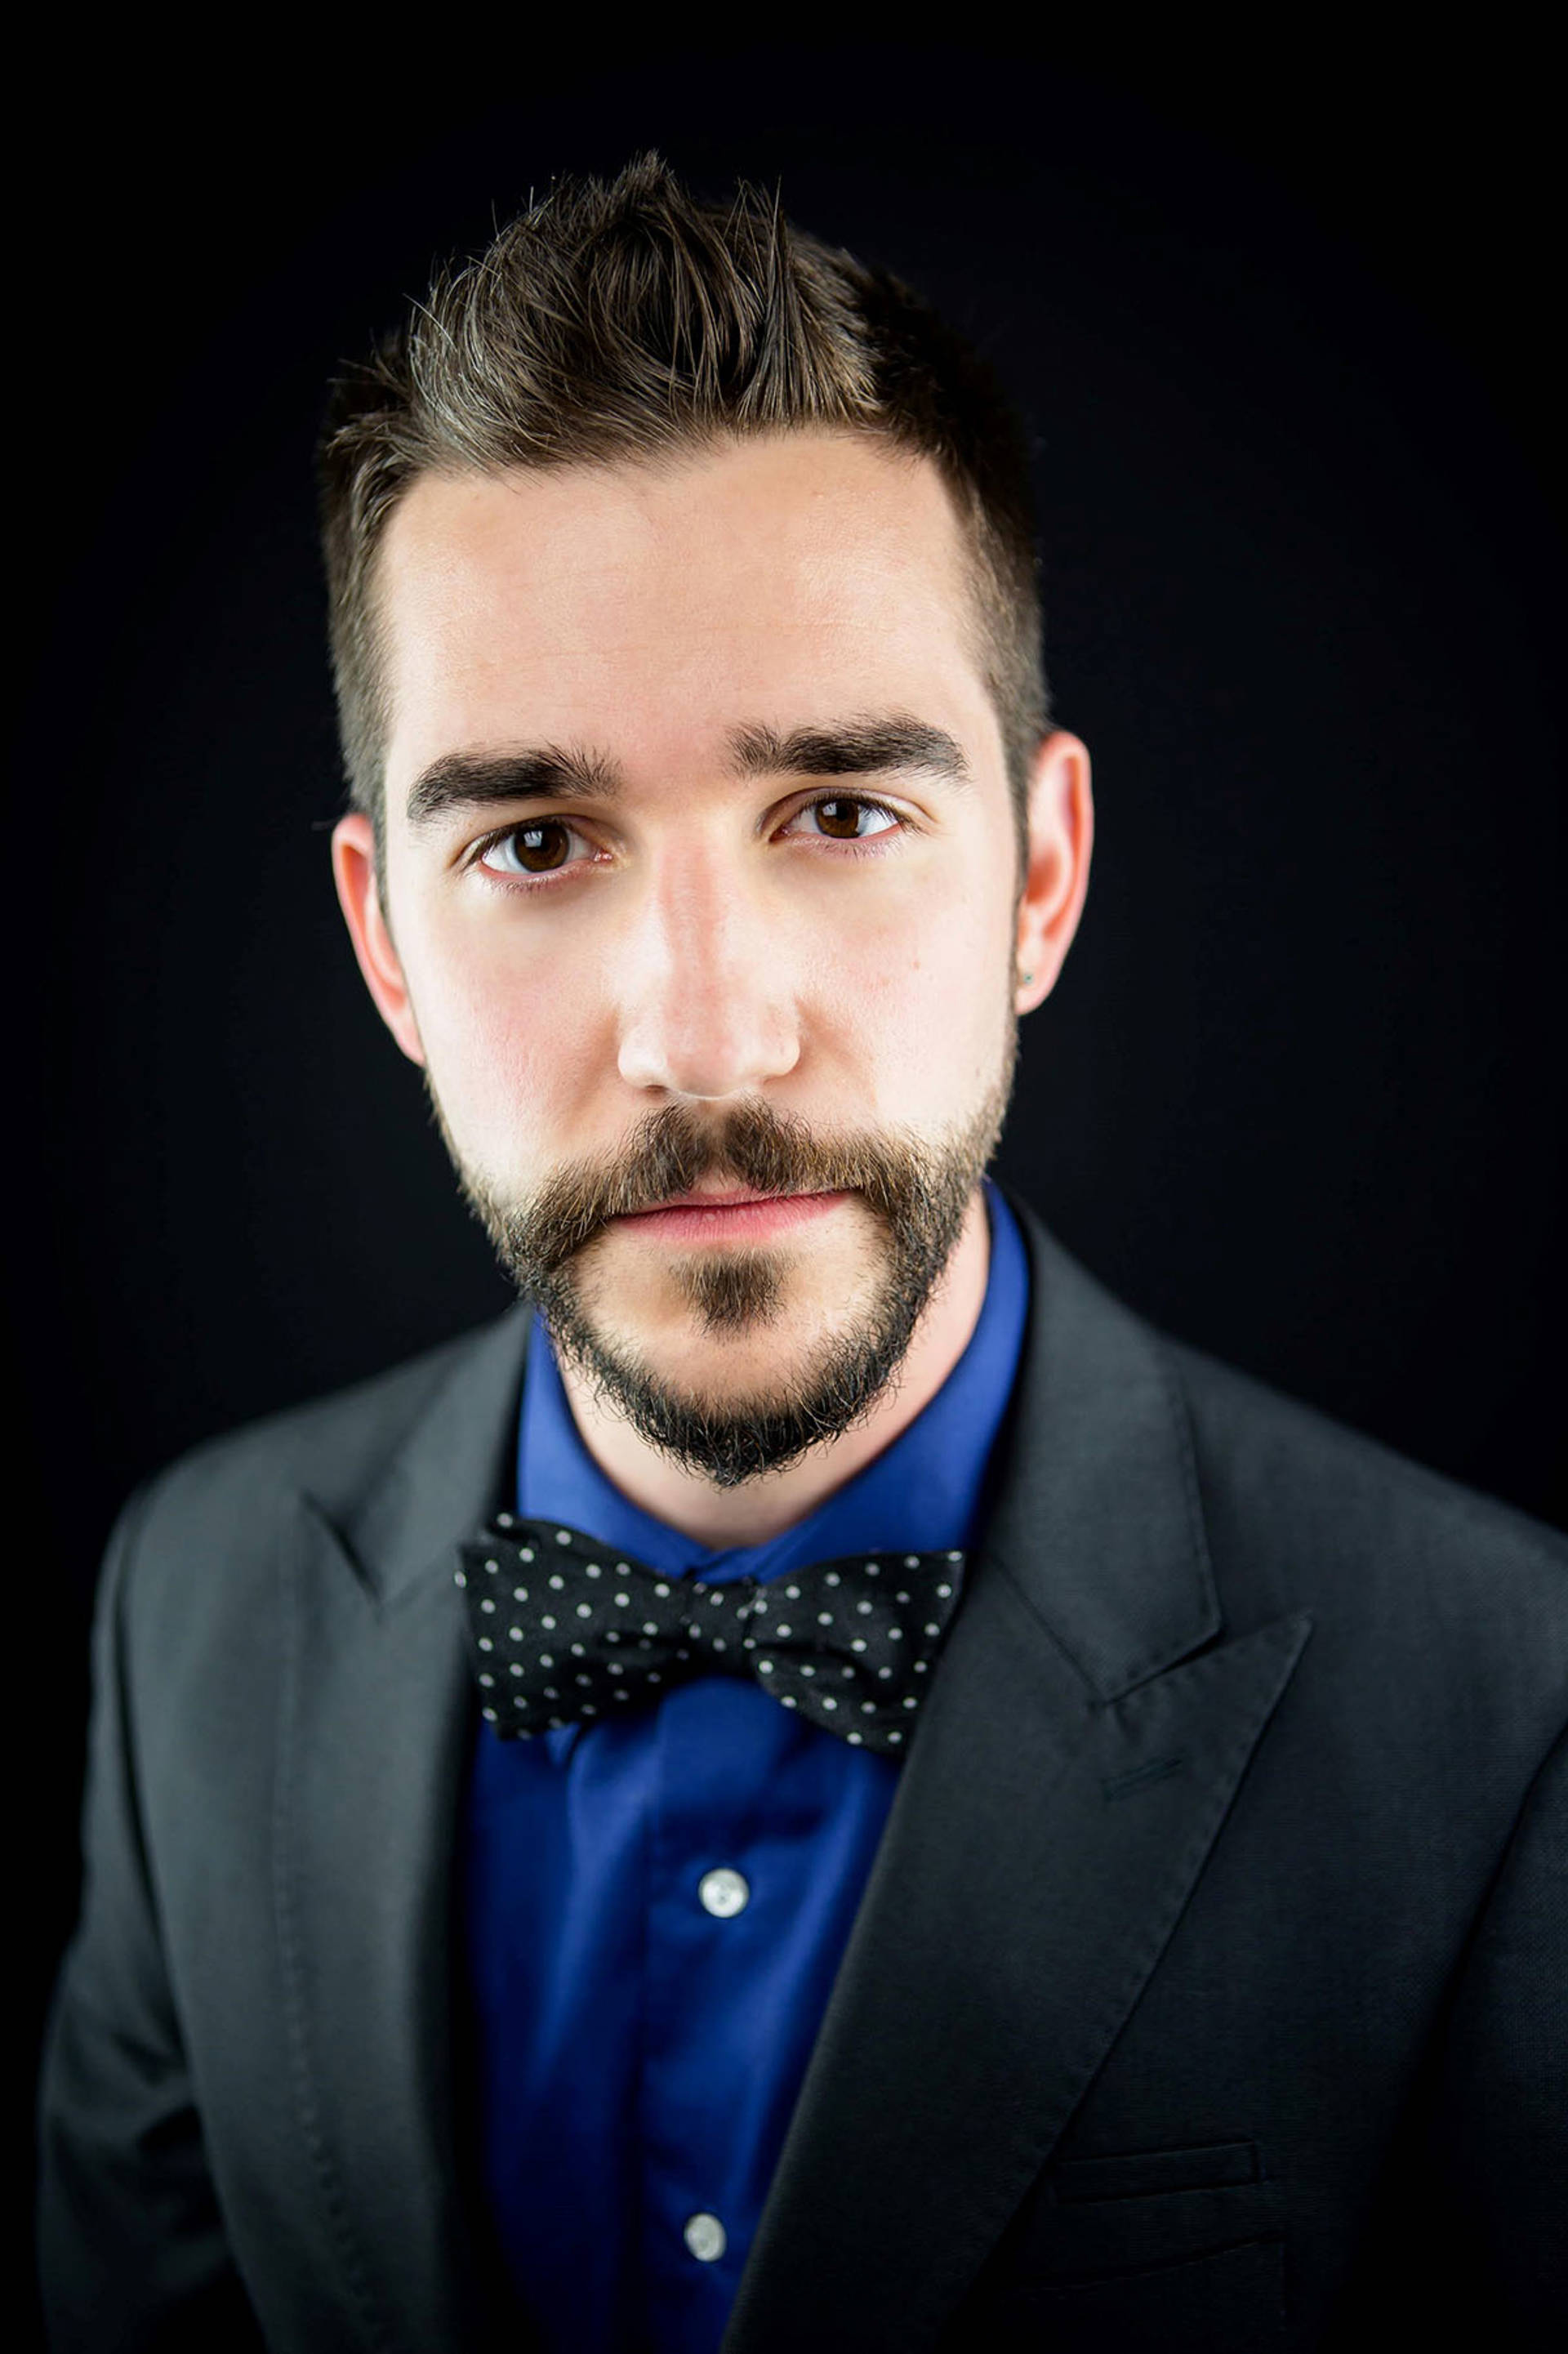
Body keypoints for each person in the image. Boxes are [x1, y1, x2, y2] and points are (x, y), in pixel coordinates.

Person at [36, 149, 1565, 2354]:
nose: (704, 1031)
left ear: (1040, 878)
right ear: (384, 943)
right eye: (540, 840)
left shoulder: (1511, 1718)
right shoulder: (181, 1613)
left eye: (841, 812)